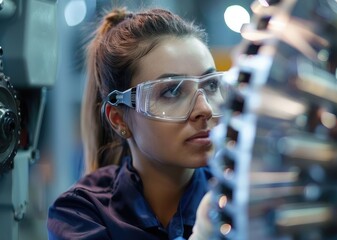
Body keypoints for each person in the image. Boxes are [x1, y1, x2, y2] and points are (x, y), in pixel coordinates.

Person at [47, 7, 225, 240]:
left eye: (211, 86)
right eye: (172, 91)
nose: (205, 109)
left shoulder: (237, 194)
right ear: (119, 119)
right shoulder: (81, 214)